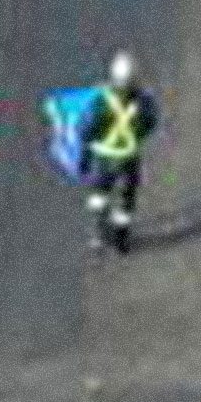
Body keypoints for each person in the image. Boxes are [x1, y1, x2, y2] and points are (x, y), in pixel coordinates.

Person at [81, 51, 159, 253]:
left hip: (103, 157)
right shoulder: (143, 101)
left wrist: (85, 154)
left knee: (99, 194)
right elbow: (151, 123)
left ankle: (98, 235)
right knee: (126, 198)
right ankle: (121, 240)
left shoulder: (101, 99)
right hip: (128, 158)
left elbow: (87, 127)